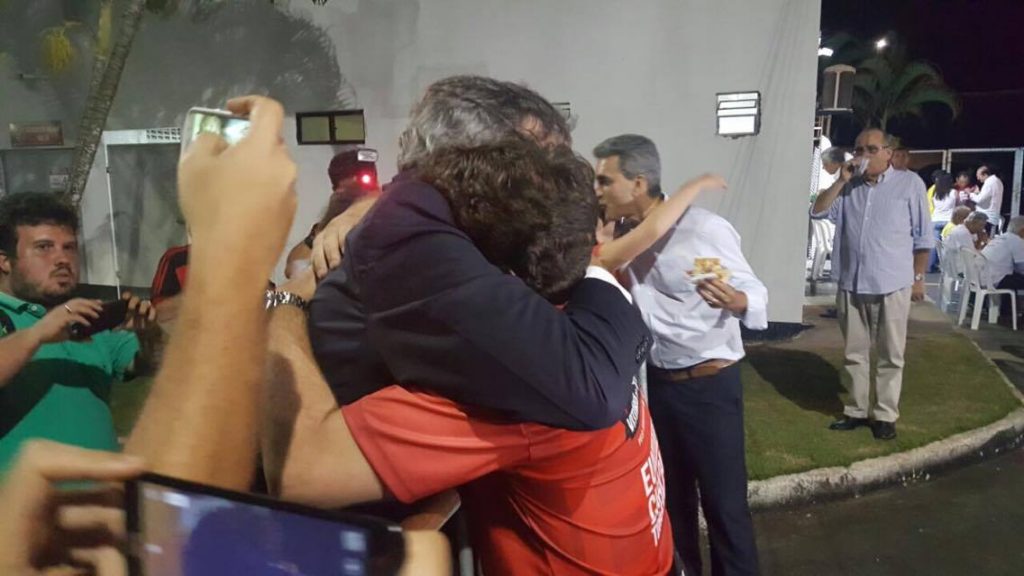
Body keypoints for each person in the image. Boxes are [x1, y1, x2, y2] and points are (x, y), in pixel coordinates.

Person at [262, 140, 674, 575]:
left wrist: (286, 304)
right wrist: (364, 209)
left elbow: (300, 472)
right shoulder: (578, 294)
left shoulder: (514, 383)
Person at [306, 75, 650, 429]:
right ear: (481, 157)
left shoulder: (431, 213)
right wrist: (598, 269)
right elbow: (593, 388)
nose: (558, 182)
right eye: (546, 161)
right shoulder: (412, 238)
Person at [593, 134, 765, 576]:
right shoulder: (619, 239)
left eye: (604, 181)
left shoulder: (703, 228)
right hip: (659, 390)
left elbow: (754, 288)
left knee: (725, 508)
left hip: (710, 387)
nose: (597, 191)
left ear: (638, 182)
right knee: (671, 506)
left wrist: (738, 302)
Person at [0, 192, 158, 475]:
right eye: (44, 247)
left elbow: (156, 364)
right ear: (4, 261)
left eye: (69, 248)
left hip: (105, 507)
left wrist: (151, 336)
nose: (62, 259)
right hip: (21, 512)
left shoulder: (89, 317)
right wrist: (37, 334)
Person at [811, 128, 933, 441]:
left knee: (891, 354)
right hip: (852, 282)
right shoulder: (849, 187)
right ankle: (855, 410)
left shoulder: (910, 185)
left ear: (889, 153)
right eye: (859, 149)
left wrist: (919, 278)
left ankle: (885, 415)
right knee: (855, 353)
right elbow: (817, 211)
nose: (863, 155)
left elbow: (923, 237)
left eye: (871, 149)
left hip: (893, 281)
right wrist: (840, 180)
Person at [284, 147, 381, 279]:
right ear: (338, 189)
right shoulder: (330, 227)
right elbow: (293, 267)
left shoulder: (391, 212)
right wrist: (324, 227)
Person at [981, 215, 1024, 317]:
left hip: (983, 276)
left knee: (1013, 277)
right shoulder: (1017, 241)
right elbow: (1022, 267)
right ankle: (1010, 311)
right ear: (1022, 230)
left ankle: (1008, 310)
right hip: (995, 279)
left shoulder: (1000, 238)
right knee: (1016, 278)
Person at [929, 172, 956, 272]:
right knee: (946, 245)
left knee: (934, 245)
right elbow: (957, 204)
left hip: (935, 220)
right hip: (948, 221)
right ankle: (945, 266)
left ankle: (931, 266)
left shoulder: (936, 193)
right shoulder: (953, 192)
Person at [971, 164, 1003, 233]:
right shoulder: (998, 181)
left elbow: (979, 200)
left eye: (978, 176)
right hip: (991, 217)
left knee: (985, 241)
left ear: (985, 175)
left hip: (987, 219)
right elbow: (987, 197)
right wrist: (978, 193)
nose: (978, 179)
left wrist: (971, 194)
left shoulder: (989, 183)